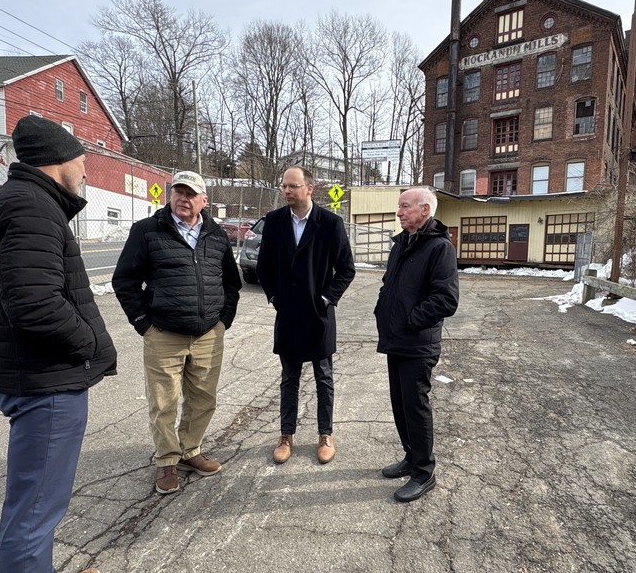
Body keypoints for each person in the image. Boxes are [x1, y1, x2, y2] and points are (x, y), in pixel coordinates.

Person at [0, 115, 117, 573]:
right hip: (44, 381)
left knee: (38, 504)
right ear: (60, 160)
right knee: (34, 508)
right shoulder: (32, 207)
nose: (85, 168)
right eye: (82, 158)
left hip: (35, 377)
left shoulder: (24, 202)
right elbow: (34, 304)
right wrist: (89, 344)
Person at [112, 170, 241, 495]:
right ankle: (167, 461)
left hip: (209, 334)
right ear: (170, 195)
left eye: (190, 193)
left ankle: (190, 450)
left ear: (204, 200)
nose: (183, 198)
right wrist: (143, 323)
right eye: (177, 192)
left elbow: (231, 283)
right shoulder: (147, 231)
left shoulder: (217, 234)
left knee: (203, 400)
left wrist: (223, 320)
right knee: (163, 402)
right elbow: (124, 281)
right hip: (164, 335)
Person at [256, 166, 356, 464]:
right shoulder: (274, 222)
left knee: (324, 376)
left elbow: (346, 269)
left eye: (293, 186)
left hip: (319, 315)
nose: (287, 191)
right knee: (289, 377)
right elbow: (264, 267)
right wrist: (276, 298)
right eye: (284, 186)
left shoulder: (330, 223)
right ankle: (286, 435)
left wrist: (326, 298)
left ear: (309, 189)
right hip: (287, 315)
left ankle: (325, 434)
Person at [375, 187, 459, 502]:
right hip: (396, 339)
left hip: (417, 343)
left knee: (415, 406)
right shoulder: (402, 244)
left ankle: (424, 472)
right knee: (400, 405)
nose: (399, 212)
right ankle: (411, 458)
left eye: (405, 206)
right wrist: (383, 312)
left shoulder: (439, 248)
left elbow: (446, 300)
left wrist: (411, 320)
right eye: (399, 206)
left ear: (425, 210)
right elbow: (390, 285)